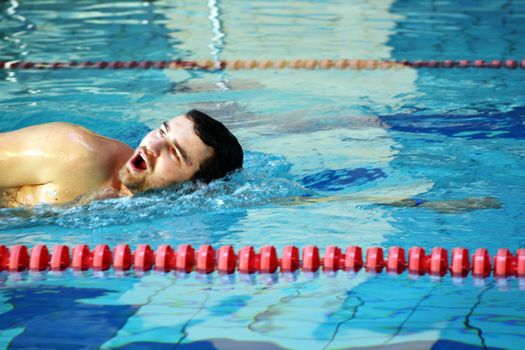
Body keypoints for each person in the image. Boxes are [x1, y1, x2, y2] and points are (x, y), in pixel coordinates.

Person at [0, 109, 243, 207]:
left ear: (194, 187)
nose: (152, 145)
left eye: (174, 153)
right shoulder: (76, 153)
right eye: (161, 131)